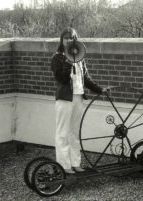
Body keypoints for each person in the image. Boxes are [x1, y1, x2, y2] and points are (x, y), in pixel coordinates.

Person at [51, 27, 106, 174]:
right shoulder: (57, 57)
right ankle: (64, 165)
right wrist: (68, 62)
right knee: (63, 133)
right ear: (62, 40)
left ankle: (75, 163)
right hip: (64, 99)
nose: (69, 40)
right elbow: (61, 79)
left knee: (74, 132)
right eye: (66, 38)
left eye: (72, 38)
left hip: (78, 97)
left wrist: (99, 89)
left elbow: (86, 79)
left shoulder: (80, 57)